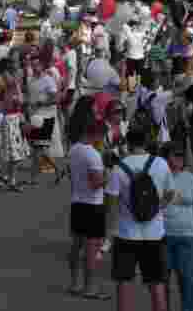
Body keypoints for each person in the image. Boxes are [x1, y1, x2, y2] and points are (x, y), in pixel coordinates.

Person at [105, 127, 178, 311]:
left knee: (124, 284)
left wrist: (109, 235)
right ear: (146, 143)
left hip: (126, 234)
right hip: (155, 234)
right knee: (157, 284)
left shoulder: (118, 168)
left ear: (128, 144)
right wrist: (156, 208)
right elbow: (170, 193)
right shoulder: (160, 163)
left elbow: (111, 206)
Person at [160, 141, 193, 311]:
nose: (180, 158)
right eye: (175, 154)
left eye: (181, 154)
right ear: (165, 157)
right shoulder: (158, 177)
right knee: (162, 281)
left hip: (188, 236)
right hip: (162, 236)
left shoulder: (190, 178)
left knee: (188, 280)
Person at [66, 116, 110, 301]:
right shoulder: (93, 155)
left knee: (76, 245)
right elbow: (96, 183)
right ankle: (90, 288)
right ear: (97, 134)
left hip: (77, 202)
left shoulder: (73, 149)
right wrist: (108, 175)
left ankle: (75, 283)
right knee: (92, 249)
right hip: (93, 205)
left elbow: (72, 174)